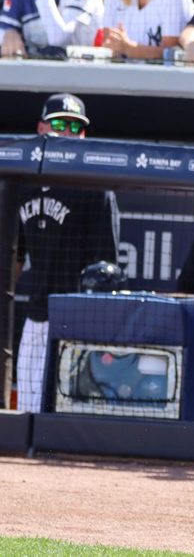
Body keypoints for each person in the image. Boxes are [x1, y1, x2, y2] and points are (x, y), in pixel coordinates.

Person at [16, 94, 119, 413]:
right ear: (41, 128)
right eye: (59, 124)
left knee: (72, 410)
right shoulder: (21, 183)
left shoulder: (96, 187)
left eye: (76, 127)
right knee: (29, 406)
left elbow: (106, 268)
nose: (67, 132)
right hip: (36, 314)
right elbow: (15, 255)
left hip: (77, 315)